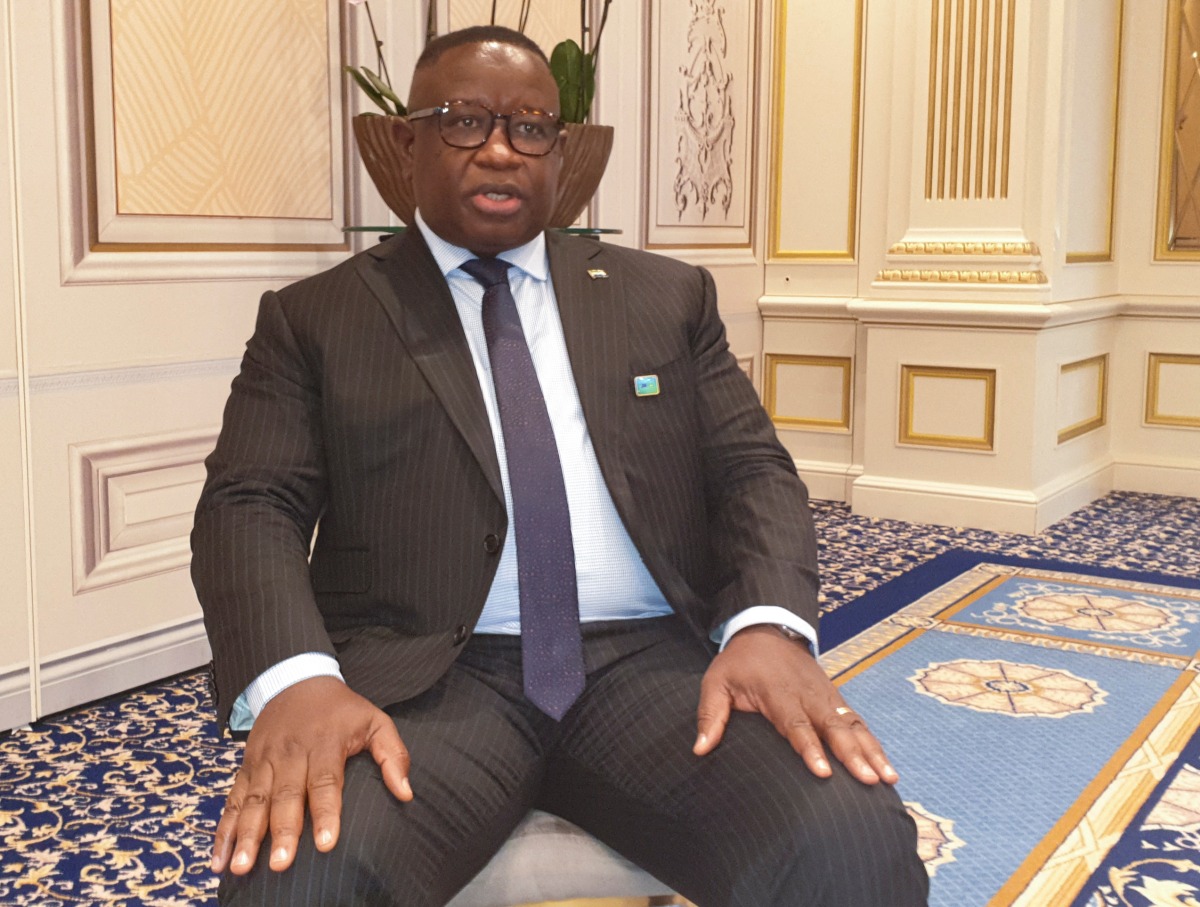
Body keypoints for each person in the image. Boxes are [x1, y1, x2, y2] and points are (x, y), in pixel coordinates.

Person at [191, 24, 928, 907]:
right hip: (426, 693)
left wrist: (767, 626)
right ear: (404, 141)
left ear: (562, 151)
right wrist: (297, 679)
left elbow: (752, 471)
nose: (501, 150)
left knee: (849, 839)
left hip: (656, 676)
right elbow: (249, 504)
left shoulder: (667, 297)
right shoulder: (316, 319)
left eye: (531, 127)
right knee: (296, 879)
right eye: (464, 121)